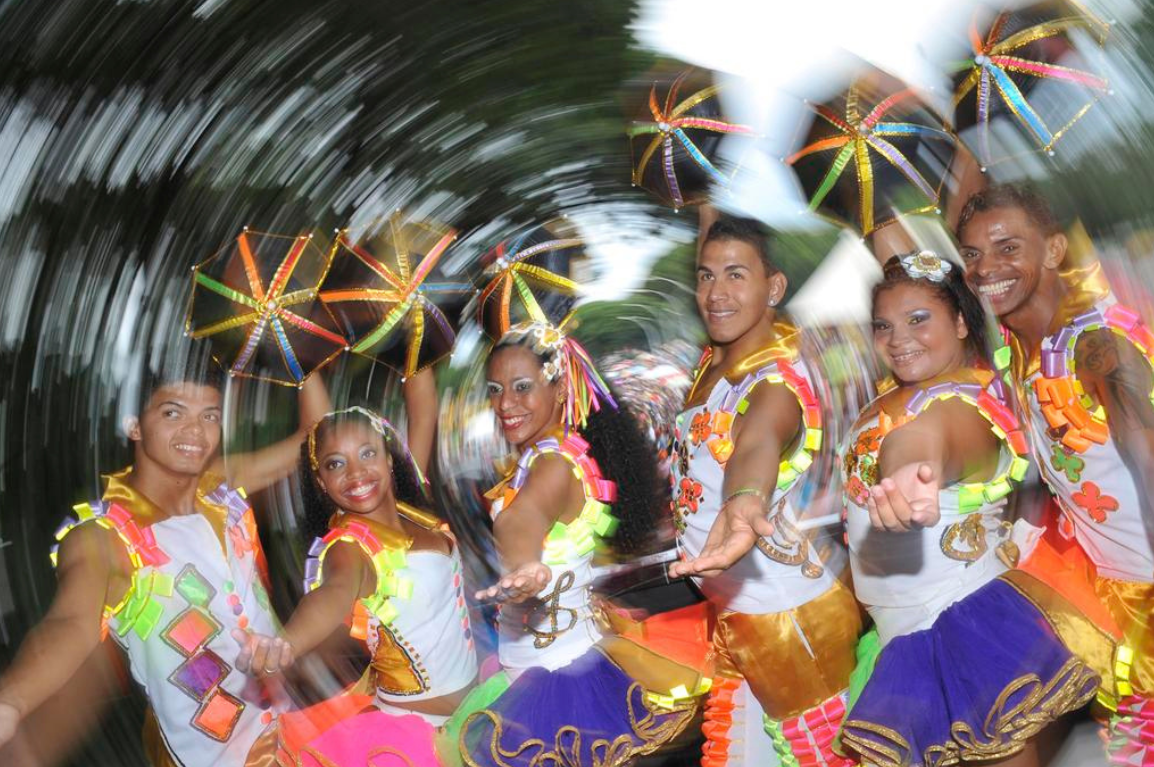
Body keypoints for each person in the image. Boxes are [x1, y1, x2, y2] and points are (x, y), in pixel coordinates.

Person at [839, 251, 1110, 766]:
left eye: (919, 320)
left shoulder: (965, 403)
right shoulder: (896, 395)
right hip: (901, 642)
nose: (898, 339)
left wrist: (908, 473)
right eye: (884, 326)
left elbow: (930, 438)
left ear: (961, 322)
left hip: (963, 641)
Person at [0, 355, 331, 767]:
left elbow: (318, 436)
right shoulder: (105, 536)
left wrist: (297, 349)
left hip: (301, 733)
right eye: (173, 412)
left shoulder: (221, 486)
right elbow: (70, 624)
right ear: (134, 426)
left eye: (209, 415)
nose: (195, 431)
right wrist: (10, 703)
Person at [958, 183, 1154, 765]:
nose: (985, 268)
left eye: (1006, 247)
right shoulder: (1020, 353)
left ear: (1052, 250)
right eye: (971, 253)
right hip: (1113, 598)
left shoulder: (1098, 343)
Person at [450, 321, 701, 767]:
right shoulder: (553, 453)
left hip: (557, 686)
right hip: (539, 665)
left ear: (561, 388)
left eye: (521, 387)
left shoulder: (552, 466)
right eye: (495, 389)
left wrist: (524, 563)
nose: (505, 403)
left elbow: (521, 519)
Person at [669, 215, 862, 766]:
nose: (716, 293)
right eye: (706, 277)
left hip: (789, 616)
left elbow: (756, 441)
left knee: (823, 755)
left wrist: (742, 501)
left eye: (736, 275)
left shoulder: (774, 380)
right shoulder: (715, 362)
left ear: (773, 288)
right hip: (738, 615)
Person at [237, 407, 477, 766]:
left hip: (477, 709)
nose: (356, 473)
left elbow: (423, 410)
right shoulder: (349, 548)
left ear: (389, 458)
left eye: (367, 453)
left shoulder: (414, 513)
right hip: (418, 744)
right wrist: (286, 643)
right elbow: (334, 593)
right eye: (336, 464)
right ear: (320, 481)